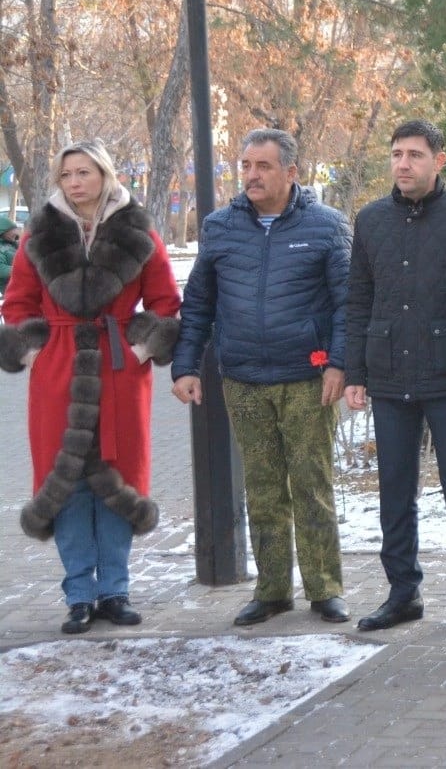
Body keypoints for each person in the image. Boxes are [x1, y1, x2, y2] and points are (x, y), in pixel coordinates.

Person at [172, 128, 352, 627]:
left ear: (291, 173)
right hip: (244, 379)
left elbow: (348, 304)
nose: (251, 175)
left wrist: (339, 363)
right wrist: (186, 365)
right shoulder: (219, 228)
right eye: (246, 165)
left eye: (263, 166)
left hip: (307, 377)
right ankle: (272, 589)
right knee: (263, 486)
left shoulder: (326, 226)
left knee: (312, 483)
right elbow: (200, 303)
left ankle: (325, 589)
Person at [0, 142, 180, 634]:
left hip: (119, 369)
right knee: (68, 482)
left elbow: (165, 302)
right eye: (67, 174)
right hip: (57, 373)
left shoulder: (137, 230)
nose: (75, 182)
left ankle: (115, 591)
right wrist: (36, 352)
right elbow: (16, 305)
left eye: (84, 172)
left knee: (117, 480)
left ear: (104, 174)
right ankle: (79, 594)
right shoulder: (41, 233)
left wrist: (142, 349)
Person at [343, 119, 446, 634]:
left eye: (414, 154)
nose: (403, 164)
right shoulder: (370, 221)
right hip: (389, 373)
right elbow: (359, 299)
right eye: (396, 154)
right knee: (394, 488)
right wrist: (355, 372)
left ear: (439, 161)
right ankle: (402, 592)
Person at [0, 214, 20, 289]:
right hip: (6, 289)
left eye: (15, 229)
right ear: (3, 232)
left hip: (19, 284)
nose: (16, 233)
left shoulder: (12, 244)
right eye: (11, 231)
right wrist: (22, 268)